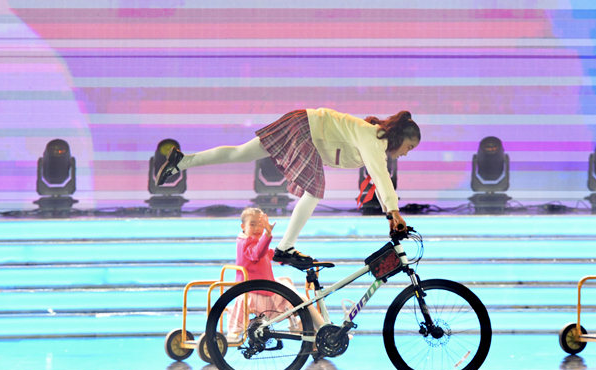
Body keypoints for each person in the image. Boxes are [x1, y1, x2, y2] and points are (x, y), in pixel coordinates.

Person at [157, 108, 420, 268]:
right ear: (400, 138)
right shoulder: (374, 139)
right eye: (409, 147)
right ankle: (285, 248)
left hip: (302, 123)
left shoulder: (373, 137)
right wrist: (394, 213)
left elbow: (378, 175)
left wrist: (391, 213)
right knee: (314, 190)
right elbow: (381, 175)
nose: (406, 153)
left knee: (241, 153)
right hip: (306, 129)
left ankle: (182, 162)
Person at [227, 207, 324, 336]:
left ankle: (304, 328)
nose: (257, 228)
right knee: (301, 299)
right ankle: (322, 330)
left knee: (290, 289)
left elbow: (269, 253)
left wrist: (289, 258)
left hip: (259, 287)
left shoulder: (248, 241)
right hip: (257, 292)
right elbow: (257, 253)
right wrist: (267, 234)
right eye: (252, 224)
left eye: (260, 225)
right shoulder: (247, 243)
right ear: (243, 226)